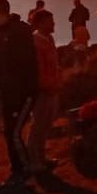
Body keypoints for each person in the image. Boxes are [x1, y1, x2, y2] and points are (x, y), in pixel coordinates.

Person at [0, 0, 38, 185]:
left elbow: (24, 64)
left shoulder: (19, 32)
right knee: (10, 132)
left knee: (14, 133)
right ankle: (18, 170)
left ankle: (24, 170)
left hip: (22, 93)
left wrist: (25, 90)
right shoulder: (0, 34)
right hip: (9, 93)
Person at [29, 10, 62, 172]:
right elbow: (39, 71)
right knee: (38, 126)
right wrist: (48, 87)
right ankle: (33, 160)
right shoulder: (36, 43)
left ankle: (41, 158)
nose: (54, 24)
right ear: (41, 23)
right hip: (43, 92)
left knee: (46, 125)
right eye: (50, 21)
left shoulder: (48, 39)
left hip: (52, 89)